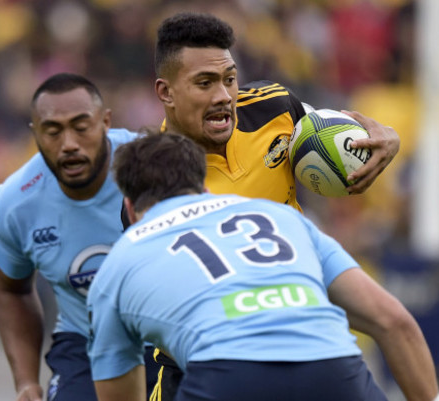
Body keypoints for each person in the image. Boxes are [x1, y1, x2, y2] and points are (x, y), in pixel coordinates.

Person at [148, 12, 402, 399]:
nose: (223, 96)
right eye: (204, 83)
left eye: (229, 79)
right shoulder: (153, 184)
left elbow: (334, 132)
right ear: (166, 92)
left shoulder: (274, 107)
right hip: (201, 362)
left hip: (299, 325)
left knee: (395, 322)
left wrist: (386, 139)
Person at [87, 133, 439, 401]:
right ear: (205, 188)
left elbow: (119, 390)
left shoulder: (121, 258)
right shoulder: (280, 216)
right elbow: (393, 321)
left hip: (226, 374)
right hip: (333, 366)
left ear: (131, 209)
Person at [0, 73, 159, 401]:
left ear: (105, 122)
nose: (69, 144)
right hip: (85, 342)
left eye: (81, 127)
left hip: (166, 337)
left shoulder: (154, 166)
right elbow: (12, 291)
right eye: (52, 131)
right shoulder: (15, 204)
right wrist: (25, 381)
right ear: (35, 133)